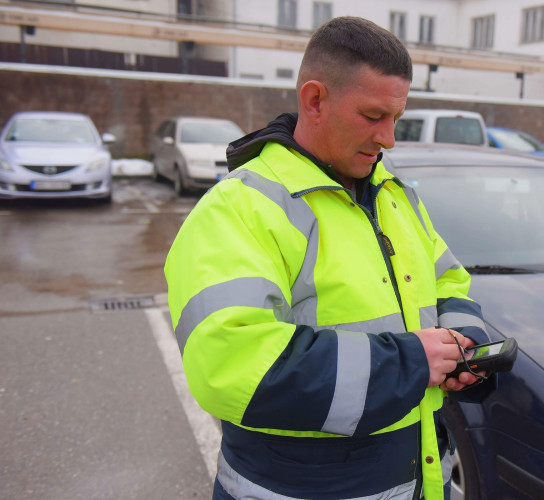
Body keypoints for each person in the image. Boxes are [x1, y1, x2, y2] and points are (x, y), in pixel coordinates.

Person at [164, 16, 490, 500]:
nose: (389, 138)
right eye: (373, 116)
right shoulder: (240, 207)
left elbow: (448, 284)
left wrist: (469, 345)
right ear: (314, 100)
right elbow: (229, 364)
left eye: (396, 118)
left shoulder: (393, 195)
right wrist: (411, 361)